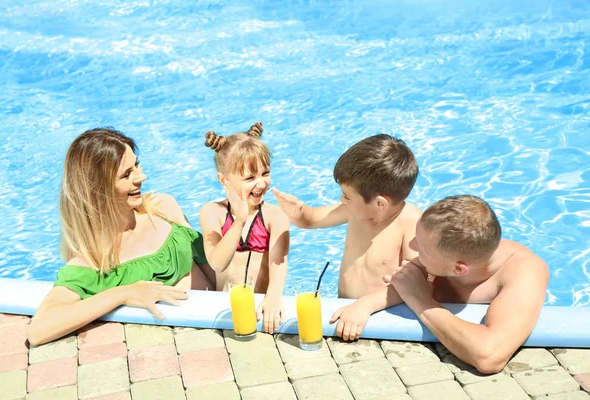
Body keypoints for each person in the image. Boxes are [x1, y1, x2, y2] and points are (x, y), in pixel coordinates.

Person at [28, 128, 213, 346]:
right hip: (181, 347)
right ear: (98, 189)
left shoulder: (163, 208)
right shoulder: (91, 262)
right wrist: (124, 293)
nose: (141, 177)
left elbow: (212, 270)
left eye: (137, 164)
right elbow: (39, 331)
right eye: (126, 174)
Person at [273, 134, 421, 340]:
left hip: (380, 318)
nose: (342, 199)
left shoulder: (411, 223)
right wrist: (298, 212)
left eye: (347, 196)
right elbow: (312, 219)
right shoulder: (355, 210)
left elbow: (417, 285)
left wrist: (365, 306)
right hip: (344, 309)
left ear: (380, 203)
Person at [382, 195, 549, 373]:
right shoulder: (443, 253)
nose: (411, 246)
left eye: (421, 247)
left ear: (459, 269)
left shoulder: (524, 272)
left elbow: (489, 356)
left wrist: (421, 301)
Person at [200, 122, 290, 334]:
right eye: (250, 178)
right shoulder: (212, 212)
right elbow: (217, 263)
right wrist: (239, 222)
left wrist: (273, 297)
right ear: (225, 180)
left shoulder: (274, 216)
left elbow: (279, 263)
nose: (260, 183)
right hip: (223, 310)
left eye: (265, 173)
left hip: (260, 307)